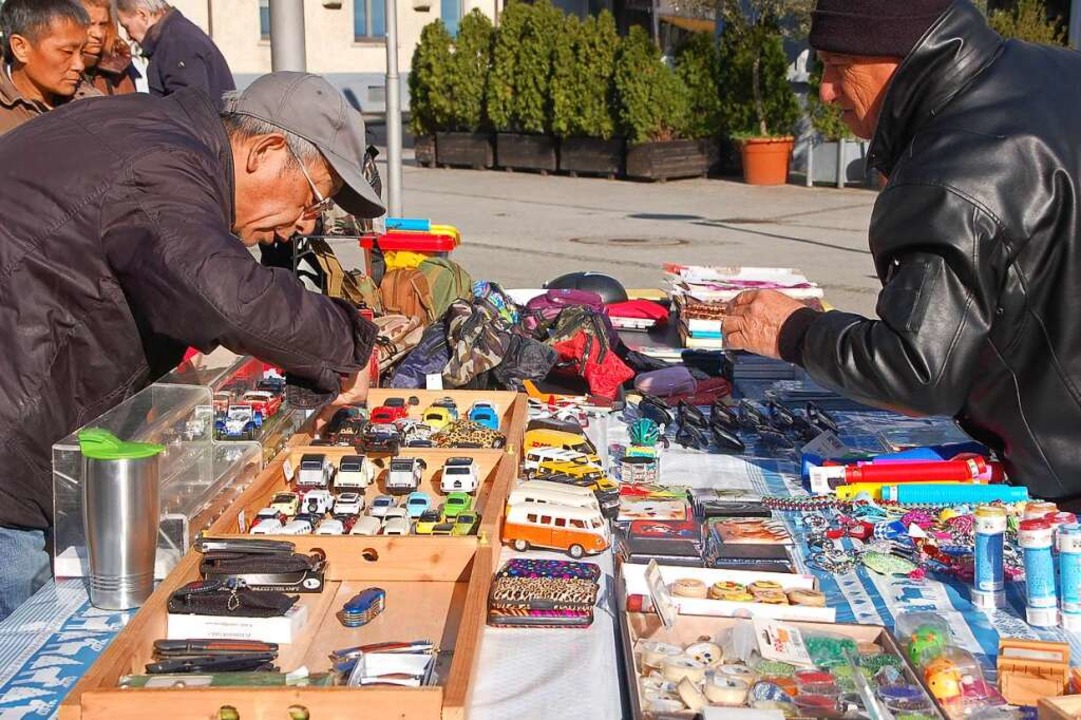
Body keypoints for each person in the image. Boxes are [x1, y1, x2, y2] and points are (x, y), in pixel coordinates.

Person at [0, 71, 384, 620]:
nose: (304, 224)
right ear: (267, 151)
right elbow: (222, 293)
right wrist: (346, 341)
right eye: (312, 199)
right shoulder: (163, 165)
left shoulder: (160, 132)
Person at [723, 0, 1081, 506]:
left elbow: (918, 370)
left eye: (837, 66)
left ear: (897, 55)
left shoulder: (952, 169)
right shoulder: (1058, 69)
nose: (826, 90)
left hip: (1066, 480)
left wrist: (795, 331)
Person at [0, 0, 99, 136]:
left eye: (82, 52)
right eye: (67, 52)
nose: (79, 65)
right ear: (21, 48)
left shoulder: (91, 100)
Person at [115, 0, 234, 109]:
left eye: (126, 27)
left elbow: (189, 109)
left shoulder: (176, 42)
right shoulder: (176, 35)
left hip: (208, 130)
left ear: (143, 15)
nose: (128, 37)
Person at [80, 0, 138, 95]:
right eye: (89, 24)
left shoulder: (118, 66)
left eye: (103, 25)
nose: (98, 34)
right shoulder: (57, 72)